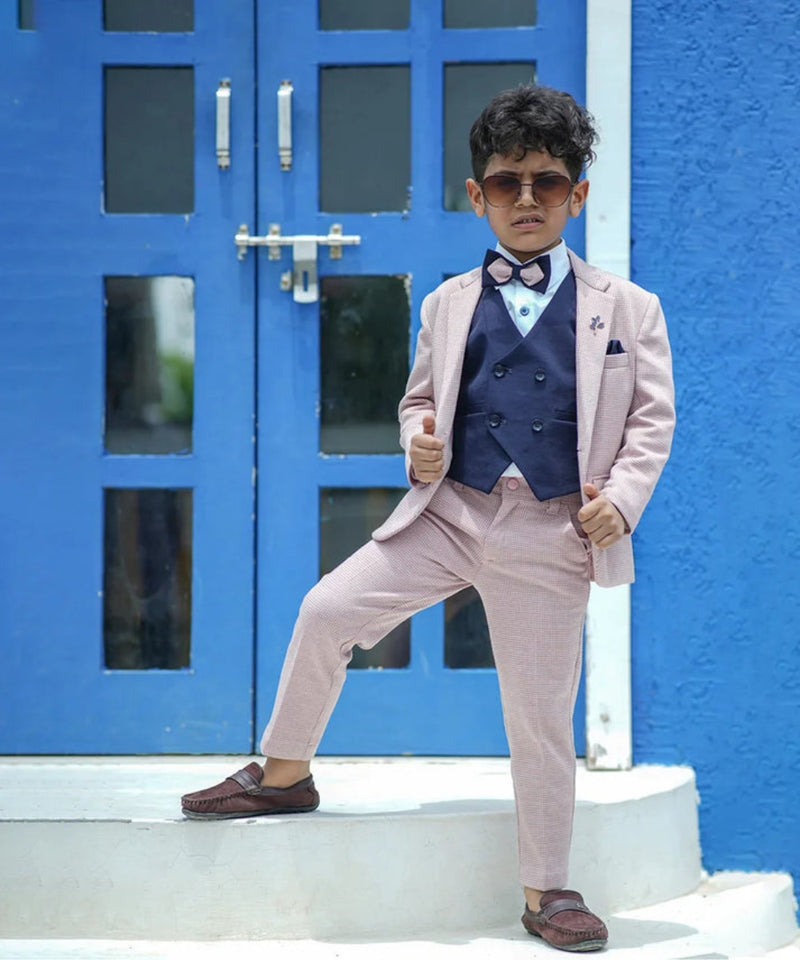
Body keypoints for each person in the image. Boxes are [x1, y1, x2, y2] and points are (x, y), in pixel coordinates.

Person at [181, 84, 675, 952]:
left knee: (539, 715)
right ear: (476, 194)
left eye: (549, 183)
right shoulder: (447, 303)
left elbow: (650, 422)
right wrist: (419, 445)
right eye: (507, 182)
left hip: (552, 529)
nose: (528, 200)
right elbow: (421, 400)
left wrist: (622, 504)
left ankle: (548, 887)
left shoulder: (629, 310)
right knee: (327, 611)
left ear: (579, 196)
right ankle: (286, 771)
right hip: (451, 510)